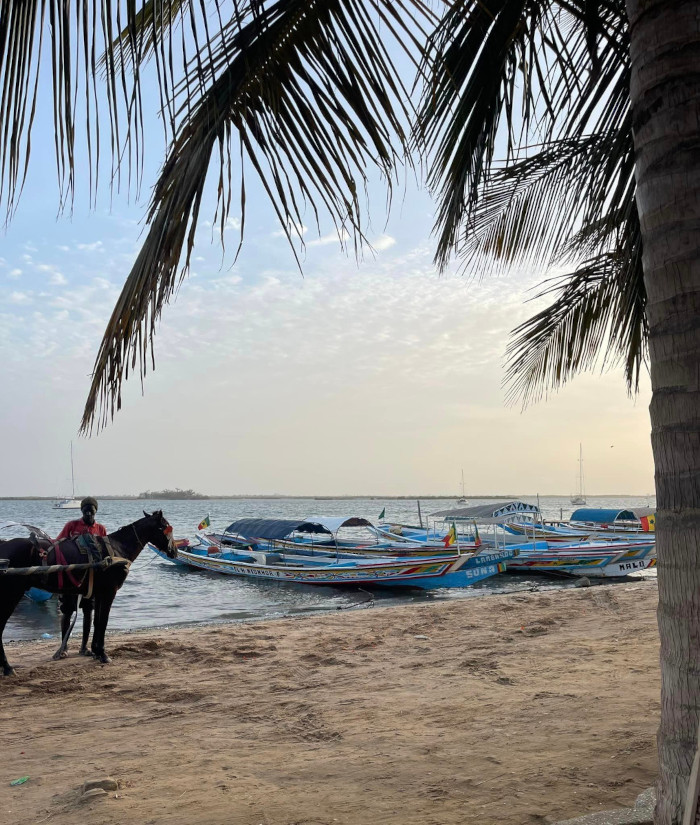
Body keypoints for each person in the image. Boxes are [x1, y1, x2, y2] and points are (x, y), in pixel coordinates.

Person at [55, 497, 107, 657]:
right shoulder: (72, 526)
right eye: (86, 509)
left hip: (91, 580)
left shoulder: (100, 529)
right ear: (81, 511)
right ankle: (64, 647)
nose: (89, 512)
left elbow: (105, 551)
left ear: (95, 511)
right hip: (71, 577)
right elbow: (59, 543)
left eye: (91, 509)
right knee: (67, 611)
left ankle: (84, 647)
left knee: (88, 611)